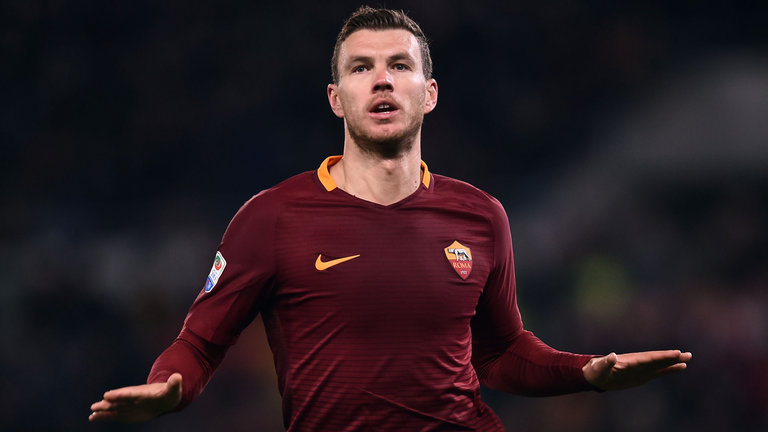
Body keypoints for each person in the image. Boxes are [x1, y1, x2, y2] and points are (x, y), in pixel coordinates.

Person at [89, 6, 691, 431]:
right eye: (361, 68)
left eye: (399, 65)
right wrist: (167, 389)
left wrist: (588, 372)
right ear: (336, 99)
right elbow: (198, 345)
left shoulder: (481, 217)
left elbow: (501, 353)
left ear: (429, 93)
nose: (381, 79)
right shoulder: (271, 217)